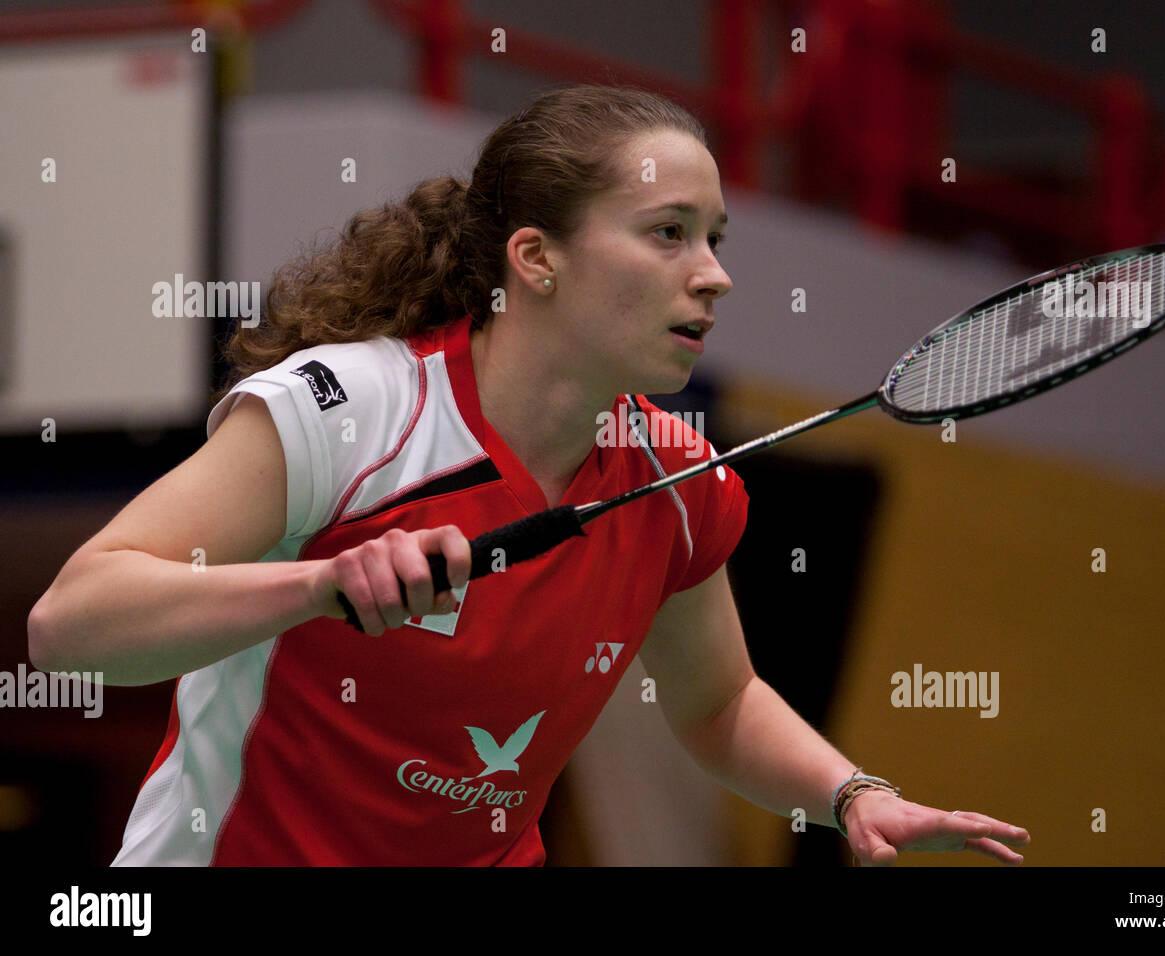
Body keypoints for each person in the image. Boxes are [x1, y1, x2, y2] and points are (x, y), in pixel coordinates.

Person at [27, 84, 1030, 866]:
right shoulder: (350, 412)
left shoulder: (680, 480)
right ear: (536, 258)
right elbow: (69, 625)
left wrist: (853, 792)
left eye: (715, 238)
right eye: (668, 231)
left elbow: (716, 702)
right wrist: (316, 585)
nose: (714, 272)